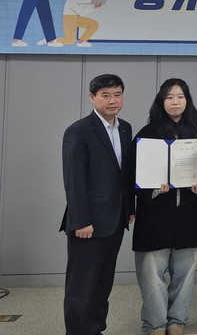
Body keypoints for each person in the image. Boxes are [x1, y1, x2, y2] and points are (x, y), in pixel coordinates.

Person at [132, 78, 197, 335]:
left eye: (180, 97)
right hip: (155, 216)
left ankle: (177, 322)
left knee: (185, 275)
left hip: (189, 215)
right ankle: (154, 324)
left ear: (187, 101)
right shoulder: (146, 135)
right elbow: (131, 176)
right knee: (151, 276)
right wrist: (153, 189)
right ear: (161, 101)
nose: (175, 102)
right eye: (169, 97)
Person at [60, 73, 135, 335]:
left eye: (117, 95)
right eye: (106, 95)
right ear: (92, 98)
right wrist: (81, 220)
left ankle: (95, 329)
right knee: (81, 287)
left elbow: (124, 174)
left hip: (115, 220)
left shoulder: (125, 128)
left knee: (102, 285)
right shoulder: (78, 131)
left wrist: (130, 209)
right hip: (88, 224)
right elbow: (74, 179)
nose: (113, 101)